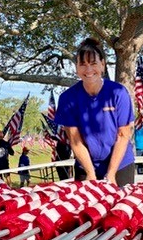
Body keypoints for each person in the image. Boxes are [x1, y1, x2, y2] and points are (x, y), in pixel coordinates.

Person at [55, 37, 135, 187]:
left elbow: (123, 135)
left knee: (120, 207)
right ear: (77, 68)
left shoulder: (118, 92)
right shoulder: (67, 98)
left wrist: (111, 174)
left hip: (120, 164)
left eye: (93, 63)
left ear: (103, 64)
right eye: (83, 64)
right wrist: (90, 174)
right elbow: (75, 141)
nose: (89, 70)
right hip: (85, 165)